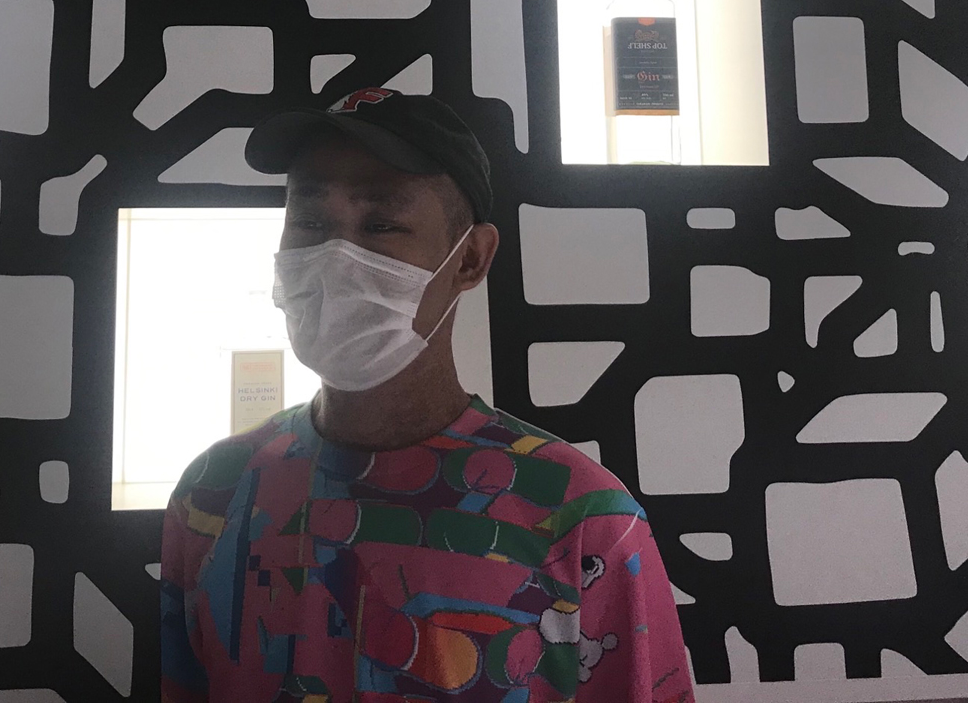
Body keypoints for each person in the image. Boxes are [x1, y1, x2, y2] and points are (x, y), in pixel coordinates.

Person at [160, 88, 694, 702]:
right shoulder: (212, 493)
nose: (334, 256)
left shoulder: (580, 521)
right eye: (308, 222)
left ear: (470, 259)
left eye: (380, 224)